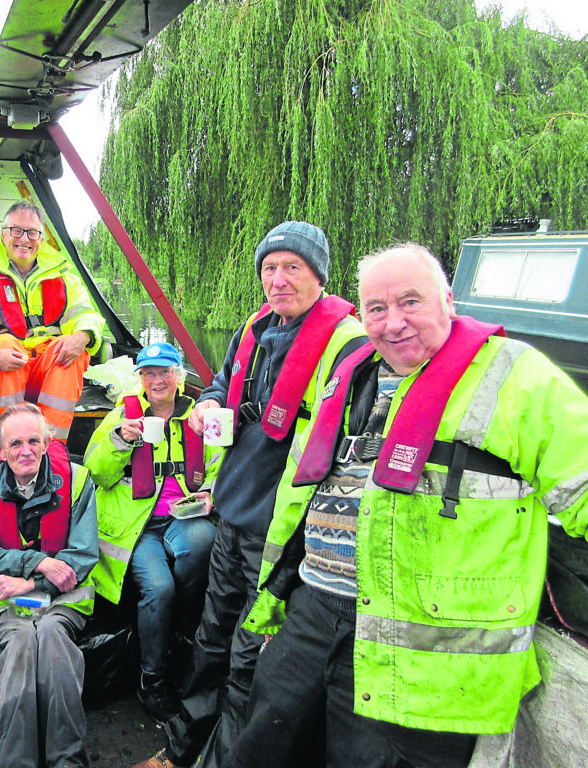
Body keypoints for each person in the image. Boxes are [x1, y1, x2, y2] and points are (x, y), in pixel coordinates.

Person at [225, 244, 588, 768]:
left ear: (448, 300)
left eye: (410, 302)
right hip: (313, 607)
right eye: (375, 308)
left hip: (422, 645)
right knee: (263, 747)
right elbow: (299, 490)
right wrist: (276, 594)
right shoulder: (354, 373)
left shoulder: (514, 376)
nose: (392, 323)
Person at [134, 221, 367, 768]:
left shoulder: (348, 345)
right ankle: (182, 748)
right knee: (212, 639)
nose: (278, 279)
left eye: (293, 267)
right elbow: (219, 384)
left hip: (284, 533)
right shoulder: (254, 328)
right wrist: (210, 405)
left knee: (248, 657)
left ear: (318, 275)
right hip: (233, 515)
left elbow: (343, 446)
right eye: (269, 268)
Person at [85, 342, 222, 723]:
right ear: (140, 379)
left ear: (179, 376)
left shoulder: (199, 416)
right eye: (149, 373)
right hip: (137, 527)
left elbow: (220, 463)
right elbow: (95, 472)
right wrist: (119, 441)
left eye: (165, 372)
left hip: (184, 517)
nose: (157, 380)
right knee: (158, 588)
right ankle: (152, 677)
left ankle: (178, 632)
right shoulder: (120, 417)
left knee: (201, 544)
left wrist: (210, 491)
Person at [0, 402, 99, 768]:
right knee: (21, 641)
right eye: (16, 443)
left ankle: (68, 761)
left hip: (61, 598)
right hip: (3, 601)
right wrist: (37, 563)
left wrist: (32, 584)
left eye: (34, 441)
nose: (26, 451)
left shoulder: (79, 480)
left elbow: (81, 556)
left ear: (48, 442)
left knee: (53, 637)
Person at [0, 200, 106, 442]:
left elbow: (87, 314)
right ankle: (13, 444)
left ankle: (51, 450)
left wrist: (82, 336)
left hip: (44, 372)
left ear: (41, 239)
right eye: (17, 231)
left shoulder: (65, 277)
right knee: (4, 346)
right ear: (3, 235)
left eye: (32, 232)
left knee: (70, 349)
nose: (25, 239)